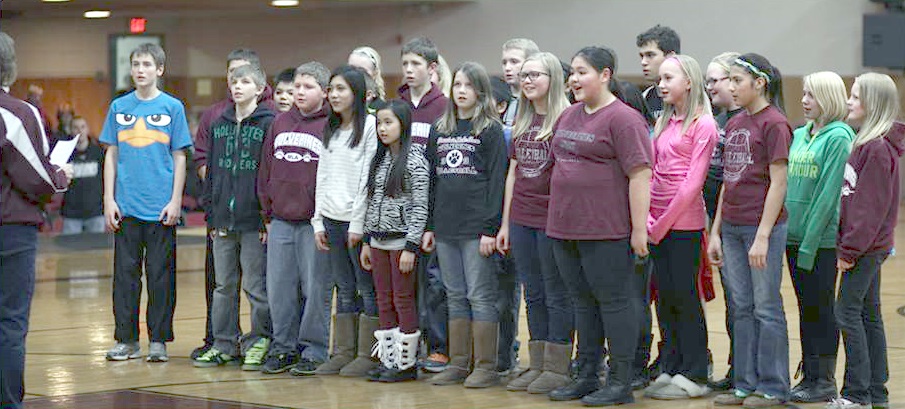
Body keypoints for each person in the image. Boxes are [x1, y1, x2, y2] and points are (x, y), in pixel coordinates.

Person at [545, 46, 652, 407]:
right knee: (582, 303)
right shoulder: (569, 115)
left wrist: (639, 230)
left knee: (615, 303)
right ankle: (588, 374)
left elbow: (640, 175)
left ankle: (620, 381)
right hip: (564, 227)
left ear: (605, 75)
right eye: (571, 72)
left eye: (582, 72)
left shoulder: (624, 119)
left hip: (607, 230)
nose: (573, 79)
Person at [100, 43, 193, 363]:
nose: (140, 69)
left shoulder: (172, 107)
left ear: (160, 70)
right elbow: (111, 155)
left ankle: (158, 340)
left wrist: (176, 200)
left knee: (160, 276)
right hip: (125, 208)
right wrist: (108, 199)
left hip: (160, 208)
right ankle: (126, 340)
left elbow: (180, 157)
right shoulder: (118, 107)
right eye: (136, 64)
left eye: (147, 64)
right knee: (124, 277)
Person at [709, 53, 792, 408]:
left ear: (759, 83)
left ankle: (773, 387)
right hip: (731, 226)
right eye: (728, 80)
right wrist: (716, 231)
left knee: (766, 307)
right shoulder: (736, 122)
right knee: (740, 307)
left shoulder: (775, 124)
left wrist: (762, 235)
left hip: (762, 230)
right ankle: (745, 384)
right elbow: (729, 179)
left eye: (737, 80)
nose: (730, 87)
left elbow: (779, 183)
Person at [0, 31, 73, 409]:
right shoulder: (16, 113)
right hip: (10, 231)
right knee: (10, 324)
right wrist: (60, 175)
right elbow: (36, 179)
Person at [425, 62, 507, 388]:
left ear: (480, 92)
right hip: (445, 226)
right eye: (457, 84)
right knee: (454, 294)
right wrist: (429, 226)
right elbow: (432, 181)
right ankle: (459, 363)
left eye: (469, 86)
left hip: (476, 228)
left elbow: (497, 182)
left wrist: (490, 228)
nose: (461, 91)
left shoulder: (490, 130)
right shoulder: (440, 128)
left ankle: (485, 366)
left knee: (480, 296)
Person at [496, 51, 573, 395]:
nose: (526, 80)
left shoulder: (567, 120)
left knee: (556, 294)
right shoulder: (521, 124)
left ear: (553, 79)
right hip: (523, 219)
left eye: (535, 75)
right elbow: (513, 174)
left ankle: (558, 367)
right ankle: (538, 362)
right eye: (524, 75)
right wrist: (505, 224)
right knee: (534, 294)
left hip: (553, 221)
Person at [642, 55, 717, 400]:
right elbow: (654, 174)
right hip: (656, 223)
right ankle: (671, 364)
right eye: (660, 79)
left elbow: (692, 184)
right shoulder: (665, 122)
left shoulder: (703, 125)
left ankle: (696, 372)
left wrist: (660, 225)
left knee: (686, 297)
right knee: (665, 298)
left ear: (688, 81)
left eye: (668, 78)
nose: (661, 84)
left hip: (682, 226)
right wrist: (647, 220)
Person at [191, 48, 273, 360]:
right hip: (222, 220)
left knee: (255, 286)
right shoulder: (218, 124)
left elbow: (269, 176)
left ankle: (259, 341)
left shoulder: (269, 123)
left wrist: (266, 216)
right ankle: (224, 343)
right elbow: (211, 175)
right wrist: (210, 216)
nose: (238, 86)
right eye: (234, 81)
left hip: (253, 222)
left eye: (246, 81)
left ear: (260, 88)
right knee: (223, 286)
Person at [831, 72, 901, 409]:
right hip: (868, 247)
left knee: (846, 312)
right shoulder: (869, 144)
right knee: (868, 314)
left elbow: (868, 209)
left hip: (865, 249)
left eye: (856, 96)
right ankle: (876, 392)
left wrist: (849, 250)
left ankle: (856, 394)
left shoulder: (875, 148)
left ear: (872, 104)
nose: (849, 101)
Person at [258, 62, 333, 376]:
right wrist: (267, 212)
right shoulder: (279, 122)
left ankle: (314, 349)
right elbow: (266, 169)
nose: (300, 92)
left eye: (308, 87)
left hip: (313, 223)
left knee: (315, 288)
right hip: (280, 220)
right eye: (297, 87)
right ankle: (283, 346)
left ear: (324, 93)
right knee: (279, 288)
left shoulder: (330, 125)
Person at [785, 71, 854, 403]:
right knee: (804, 309)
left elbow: (828, 196)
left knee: (821, 310)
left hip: (820, 242)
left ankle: (824, 380)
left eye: (811, 95)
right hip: (792, 238)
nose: (804, 100)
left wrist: (810, 243)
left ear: (827, 97)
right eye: (804, 94)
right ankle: (809, 375)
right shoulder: (800, 134)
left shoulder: (840, 137)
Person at [312, 66, 379, 377]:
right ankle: (343, 352)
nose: (333, 95)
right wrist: (318, 221)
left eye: (340, 89)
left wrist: (357, 224)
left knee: (367, 289)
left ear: (357, 94)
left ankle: (367, 354)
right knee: (344, 286)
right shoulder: (330, 128)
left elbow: (368, 179)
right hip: (332, 220)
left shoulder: (369, 128)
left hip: (358, 224)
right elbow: (322, 176)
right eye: (331, 89)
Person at [359, 99, 430, 382]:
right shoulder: (379, 159)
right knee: (383, 300)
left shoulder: (415, 160)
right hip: (377, 242)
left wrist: (411, 246)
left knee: (403, 299)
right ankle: (389, 359)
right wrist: (366, 240)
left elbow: (421, 205)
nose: (382, 129)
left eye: (388, 123)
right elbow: (371, 201)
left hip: (402, 244)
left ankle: (406, 363)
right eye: (379, 123)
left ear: (403, 124)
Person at [398, 36, 451, 372]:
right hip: (399, 207)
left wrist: (431, 219)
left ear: (432, 69)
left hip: (433, 207)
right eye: (404, 64)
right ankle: (407, 343)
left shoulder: (444, 107)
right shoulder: (398, 106)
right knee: (405, 281)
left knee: (435, 283)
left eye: (416, 64)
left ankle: (440, 346)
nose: (408, 70)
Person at [703, 51, 743, 391]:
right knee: (734, 302)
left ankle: (745, 370)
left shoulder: (744, 121)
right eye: (709, 80)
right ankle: (736, 368)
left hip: (737, 224)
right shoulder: (717, 119)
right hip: (717, 222)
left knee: (743, 302)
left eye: (716, 79)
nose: (710, 85)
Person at [60, 116, 105, 235]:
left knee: (96, 252)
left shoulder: (99, 153)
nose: (79, 131)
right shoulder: (64, 154)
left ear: (87, 129)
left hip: (96, 212)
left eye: (82, 127)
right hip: (71, 214)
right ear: (70, 130)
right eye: (75, 127)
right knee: (69, 252)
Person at [636, 24, 680, 126]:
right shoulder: (646, 97)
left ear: (671, 57)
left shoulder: (694, 95)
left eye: (650, 55)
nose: (643, 62)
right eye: (641, 56)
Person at [501, 38, 540, 128]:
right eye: (504, 62)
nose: (507, 68)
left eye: (514, 62)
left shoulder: (540, 102)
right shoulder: (497, 98)